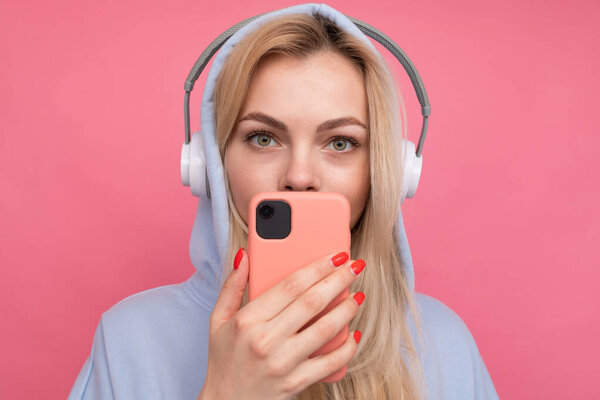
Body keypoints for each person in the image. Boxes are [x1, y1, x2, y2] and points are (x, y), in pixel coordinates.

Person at [67, 3, 499, 399]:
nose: (298, 177)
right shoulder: (129, 340)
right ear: (209, 165)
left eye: (342, 143)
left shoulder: (443, 344)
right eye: (263, 137)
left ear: (387, 172)